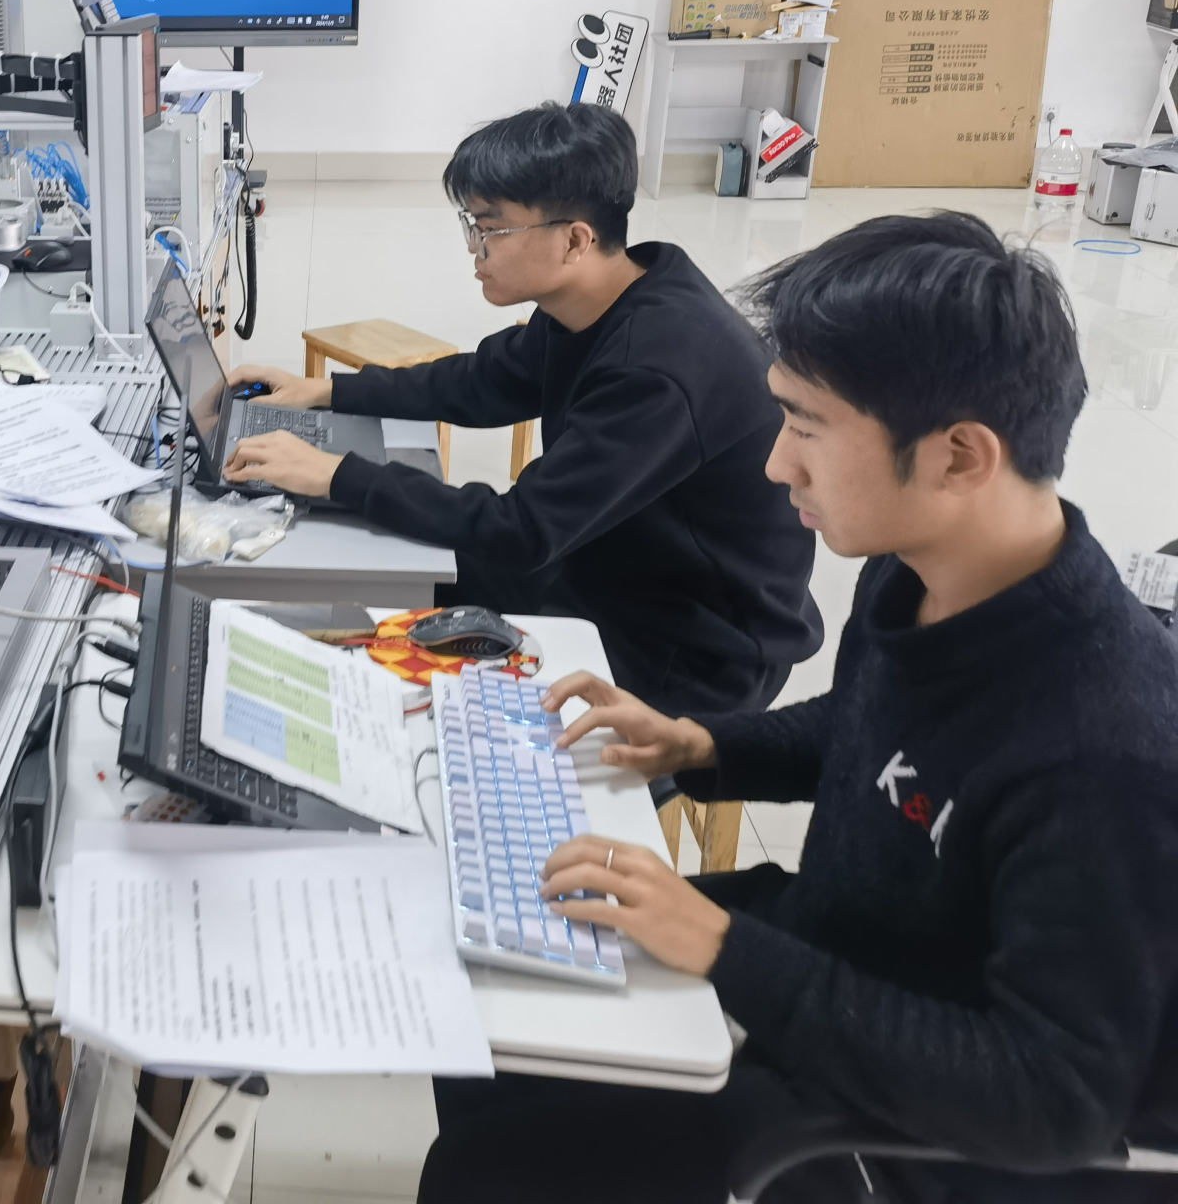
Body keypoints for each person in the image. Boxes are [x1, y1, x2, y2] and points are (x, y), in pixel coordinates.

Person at [418, 212, 1178, 1204]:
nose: (777, 463)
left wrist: (723, 950)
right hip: (833, 950)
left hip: (905, 1121)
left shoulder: (1105, 753)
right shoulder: (917, 573)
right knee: (489, 981)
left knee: (490, 1163)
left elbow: (1054, 1100)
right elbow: (863, 731)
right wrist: (696, 743)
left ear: (958, 456)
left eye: (805, 425)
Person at [223, 102, 819, 718]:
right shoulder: (603, 295)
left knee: (402, 625)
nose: (474, 248)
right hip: (609, 560)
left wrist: (336, 474)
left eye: (491, 228)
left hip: (686, 646)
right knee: (391, 559)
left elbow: (524, 530)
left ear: (574, 240)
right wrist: (326, 393)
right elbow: (483, 381)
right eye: (472, 224)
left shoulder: (657, 367)